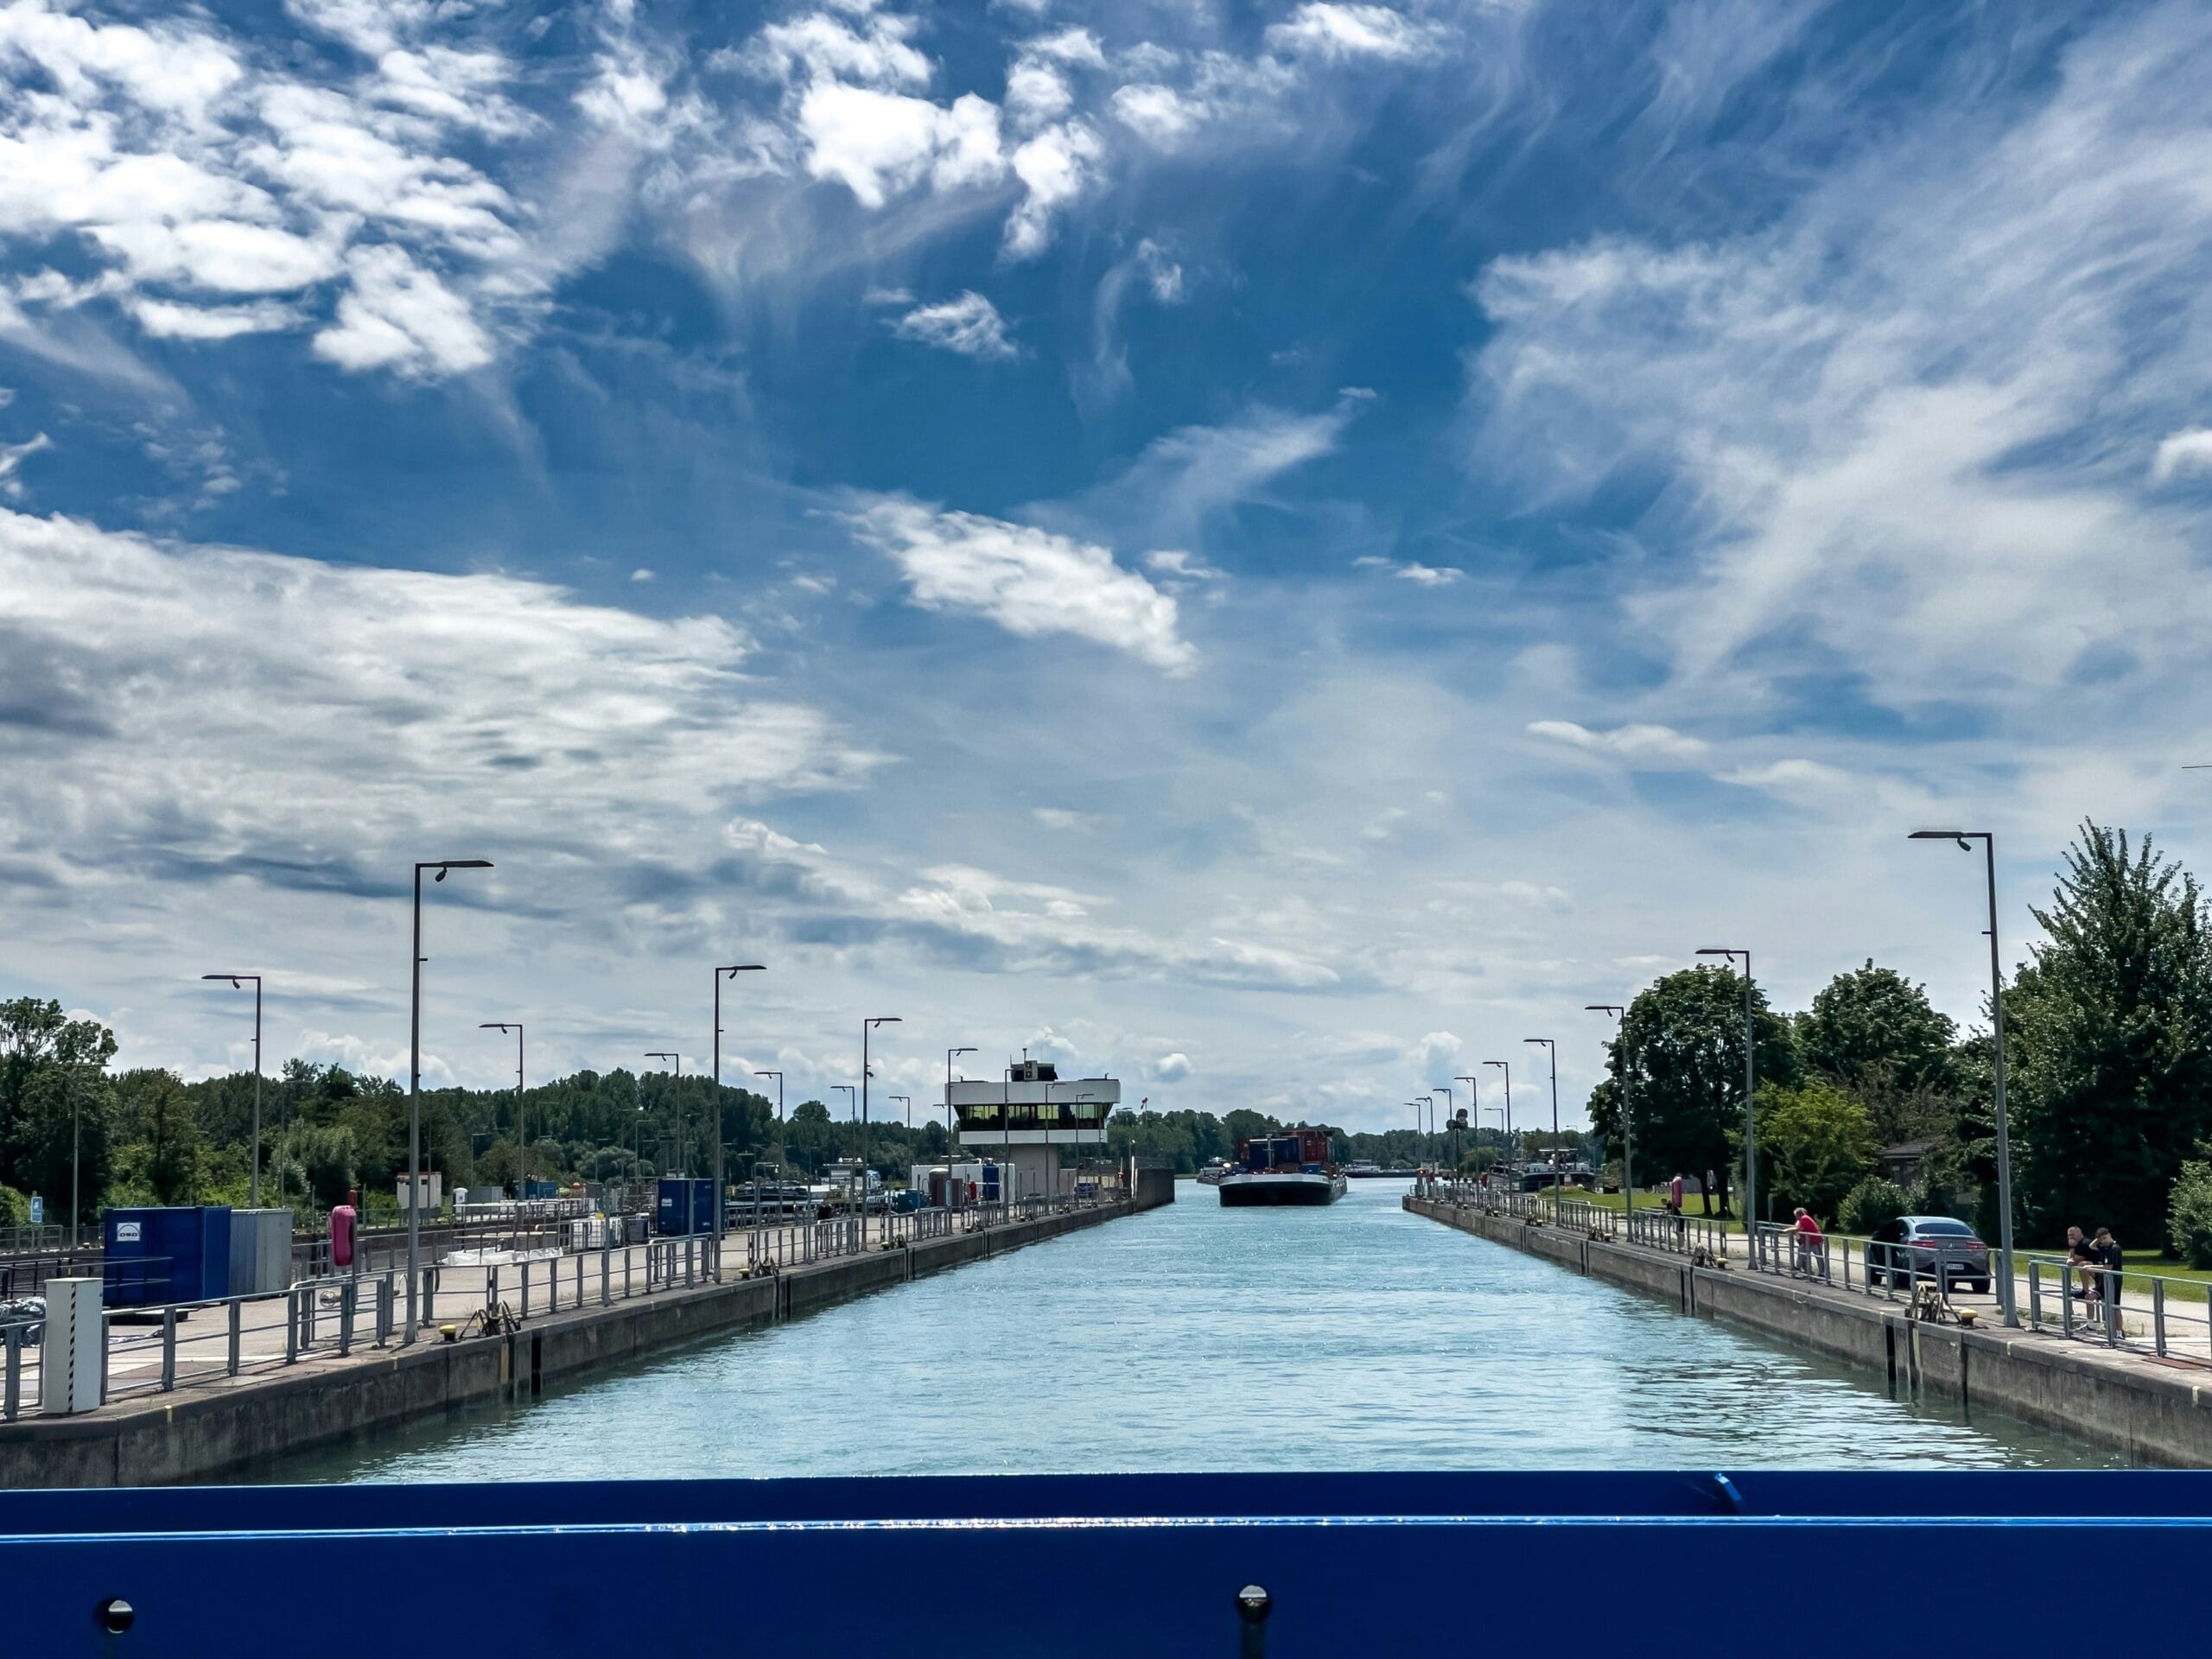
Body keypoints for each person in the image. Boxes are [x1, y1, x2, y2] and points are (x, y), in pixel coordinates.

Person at [2094, 1227, 2124, 1328]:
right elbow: (2092, 1246)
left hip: (2115, 1280)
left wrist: (2090, 1266)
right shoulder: (2104, 1247)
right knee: (2109, 1304)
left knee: (2115, 1306)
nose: (2103, 1240)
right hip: (2108, 1280)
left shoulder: (2115, 1248)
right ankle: (2111, 1329)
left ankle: (2119, 1331)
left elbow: (2108, 1267)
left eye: (2105, 1238)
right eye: (2101, 1239)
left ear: (2110, 1235)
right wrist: (2099, 1239)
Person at [2067, 1225, 2098, 1306]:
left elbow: (2074, 1260)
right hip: (2092, 1271)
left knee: (2082, 1264)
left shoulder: (2085, 1243)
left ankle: (2085, 1290)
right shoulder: (2077, 1244)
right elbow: (2071, 1259)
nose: (2071, 1237)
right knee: (2088, 1297)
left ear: (2080, 1234)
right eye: (2069, 1235)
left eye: (2072, 1235)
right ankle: (2090, 1318)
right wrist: (2071, 1249)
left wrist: (2072, 1247)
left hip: (2100, 1271)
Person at [1792, 1206, 1823, 1278]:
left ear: (1798, 1214)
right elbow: (1799, 1228)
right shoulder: (1802, 1220)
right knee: (1801, 1250)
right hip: (1808, 1241)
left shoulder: (1804, 1218)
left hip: (1815, 1241)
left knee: (1818, 1256)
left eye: (1796, 1216)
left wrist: (1794, 1230)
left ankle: (1823, 1273)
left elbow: (1801, 1229)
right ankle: (1798, 1267)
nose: (1796, 1218)